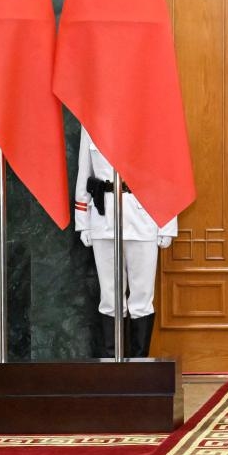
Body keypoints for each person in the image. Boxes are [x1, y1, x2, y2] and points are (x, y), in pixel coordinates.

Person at [74, 127, 176, 358]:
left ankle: (138, 365)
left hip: (144, 217)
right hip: (104, 218)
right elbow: (84, 172)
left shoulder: (149, 120)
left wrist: (167, 223)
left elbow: (167, 174)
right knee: (110, 298)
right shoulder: (91, 121)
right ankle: (113, 366)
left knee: (141, 299)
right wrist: (83, 221)